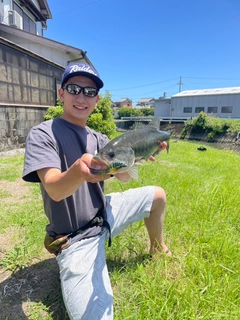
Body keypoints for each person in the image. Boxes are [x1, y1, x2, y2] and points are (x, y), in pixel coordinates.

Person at [22, 62, 171, 320]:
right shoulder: (42, 134)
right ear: (61, 93)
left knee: (157, 195)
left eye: (89, 92)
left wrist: (138, 157)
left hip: (104, 213)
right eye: (74, 88)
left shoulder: (100, 139)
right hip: (75, 237)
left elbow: (123, 176)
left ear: (97, 99)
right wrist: (79, 171)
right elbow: (55, 189)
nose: (81, 97)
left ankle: (158, 247)